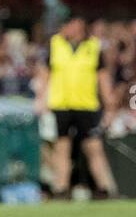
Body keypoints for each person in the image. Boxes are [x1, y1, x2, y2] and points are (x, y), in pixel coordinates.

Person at [37, 15, 117, 199]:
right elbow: (45, 72)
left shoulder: (93, 46)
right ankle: (61, 187)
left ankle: (104, 188)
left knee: (93, 147)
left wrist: (109, 102)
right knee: (61, 147)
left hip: (86, 104)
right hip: (62, 104)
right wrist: (41, 98)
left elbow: (102, 76)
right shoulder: (55, 44)